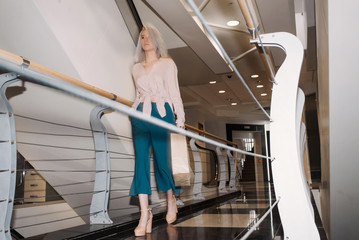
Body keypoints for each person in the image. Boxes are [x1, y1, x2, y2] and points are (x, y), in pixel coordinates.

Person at [129, 23, 185, 237]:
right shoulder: (135, 68)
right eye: (142, 37)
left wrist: (180, 118)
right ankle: (145, 214)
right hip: (140, 115)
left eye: (149, 36)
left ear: (157, 39)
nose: (146, 40)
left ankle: (171, 198)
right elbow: (137, 94)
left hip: (162, 114)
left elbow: (174, 93)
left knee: (163, 162)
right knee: (140, 163)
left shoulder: (167, 64)